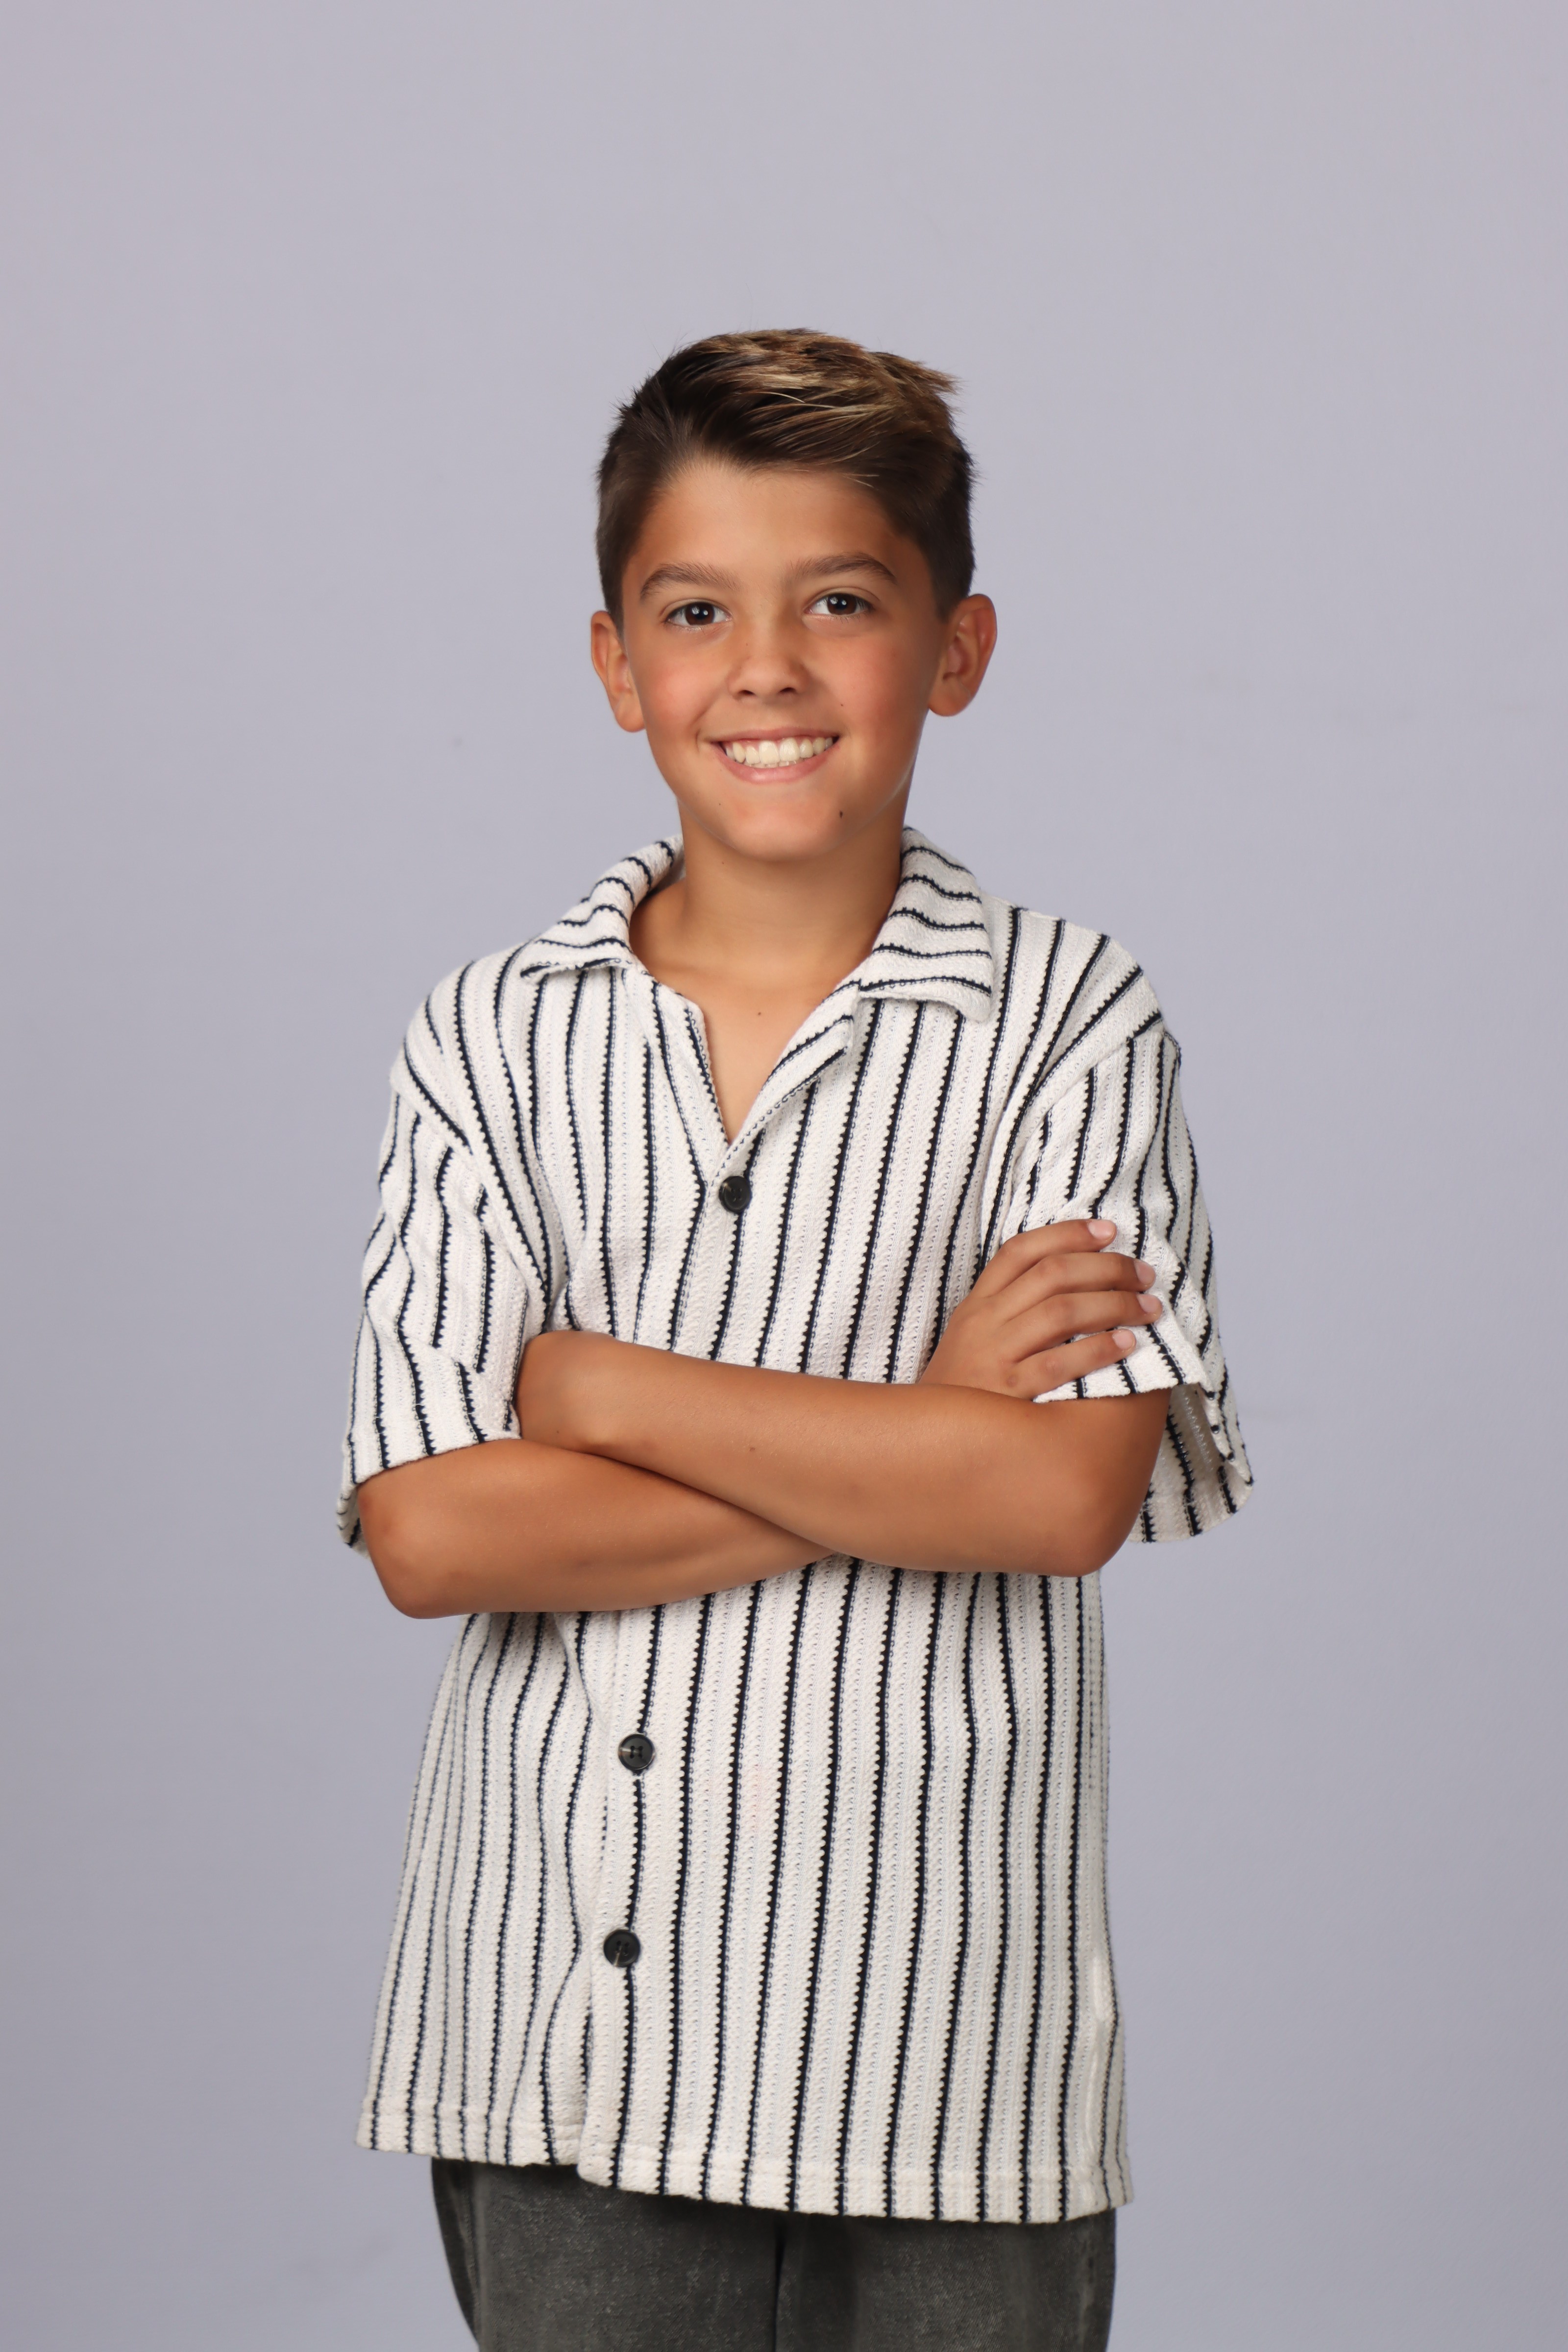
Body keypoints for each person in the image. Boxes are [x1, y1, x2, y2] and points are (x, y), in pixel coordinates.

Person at [341, 329, 1251, 2352]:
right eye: (696, 613)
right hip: (567, 2034)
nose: (764, 668)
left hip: (942, 2041)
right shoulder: (490, 1039)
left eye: (838, 602)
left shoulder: (1069, 1021)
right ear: (616, 665)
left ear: (954, 649)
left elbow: (1057, 1499)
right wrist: (919, 1432)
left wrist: (608, 1391)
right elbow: (433, 1533)